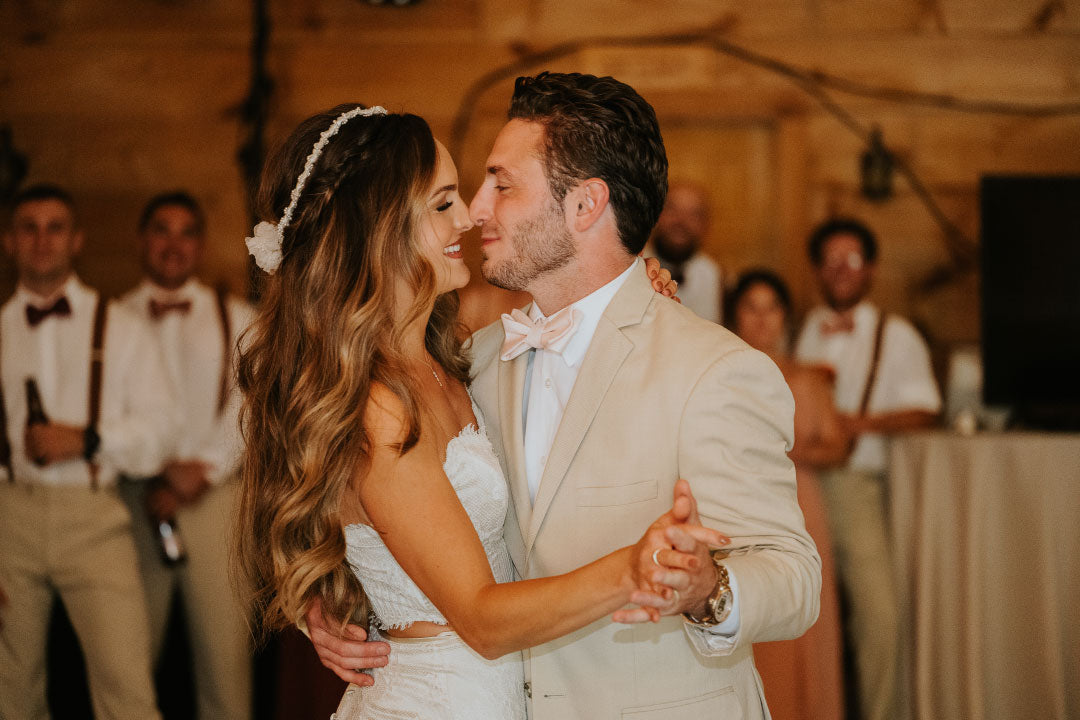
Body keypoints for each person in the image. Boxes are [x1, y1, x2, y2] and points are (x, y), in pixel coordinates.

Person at [306, 72, 821, 720]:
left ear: (584, 205)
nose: (477, 209)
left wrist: (708, 589)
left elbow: (795, 577)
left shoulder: (712, 369)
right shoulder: (472, 362)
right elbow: (372, 503)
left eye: (502, 184)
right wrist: (331, 601)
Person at [234, 102, 724, 720]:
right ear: (377, 231)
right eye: (443, 204)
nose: (468, 216)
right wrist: (632, 569)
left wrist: (629, 305)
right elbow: (482, 618)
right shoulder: (382, 408)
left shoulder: (461, 358)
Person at [0, 184, 176, 720]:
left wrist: (88, 439)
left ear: (76, 240)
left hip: (96, 516)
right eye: (28, 227)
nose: (41, 240)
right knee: (11, 690)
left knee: (126, 689)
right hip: (10, 519)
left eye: (55, 227)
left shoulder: (120, 327)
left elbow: (161, 431)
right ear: (9, 242)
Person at [794, 218, 941, 720]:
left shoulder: (895, 334)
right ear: (817, 268)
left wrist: (861, 423)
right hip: (799, 484)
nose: (840, 270)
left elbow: (927, 409)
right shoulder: (805, 329)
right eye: (830, 260)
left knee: (878, 616)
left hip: (857, 487)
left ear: (871, 269)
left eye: (851, 260)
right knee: (807, 613)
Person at [117, 191, 254, 720]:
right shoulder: (113, 319)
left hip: (214, 501)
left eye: (186, 232)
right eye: (161, 230)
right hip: (134, 500)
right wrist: (152, 469)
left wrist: (207, 467)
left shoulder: (240, 316)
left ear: (199, 244)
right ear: (142, 240)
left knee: (225, 668)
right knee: (125, 663)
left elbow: (254, 407)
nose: (173, 245)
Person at [728, 269, 847, 720]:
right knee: (752, 612)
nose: (761, 320)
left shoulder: (808, 377)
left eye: (771, 308)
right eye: (750, 309)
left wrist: (790, 447)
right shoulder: (721, 370)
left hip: (802, 504)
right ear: (735, 316)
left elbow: (837, 445)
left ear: (785, 318)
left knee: (804, 619)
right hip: (740, 506)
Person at [644, 180, 723, 322]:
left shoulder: (712, 273)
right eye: (672, 209)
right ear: (656, 215)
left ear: (705, 224)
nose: (681, 221)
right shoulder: (633, 266)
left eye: (693, 214)